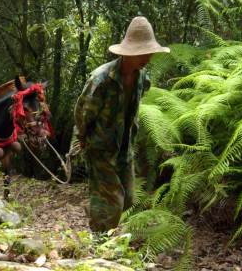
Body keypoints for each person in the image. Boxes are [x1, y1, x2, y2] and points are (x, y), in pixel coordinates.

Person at [73, 16, 170, 233]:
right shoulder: (101, 80)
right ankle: (99, 243)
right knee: (112, 202)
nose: (148, 57)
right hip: (99, 148)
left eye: (149, 52)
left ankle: (96, 209)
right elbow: (82, 114)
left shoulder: (141, 77)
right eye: (143, 53)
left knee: (127, 199)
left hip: (124, 147)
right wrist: (83, 141)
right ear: (129, 53)